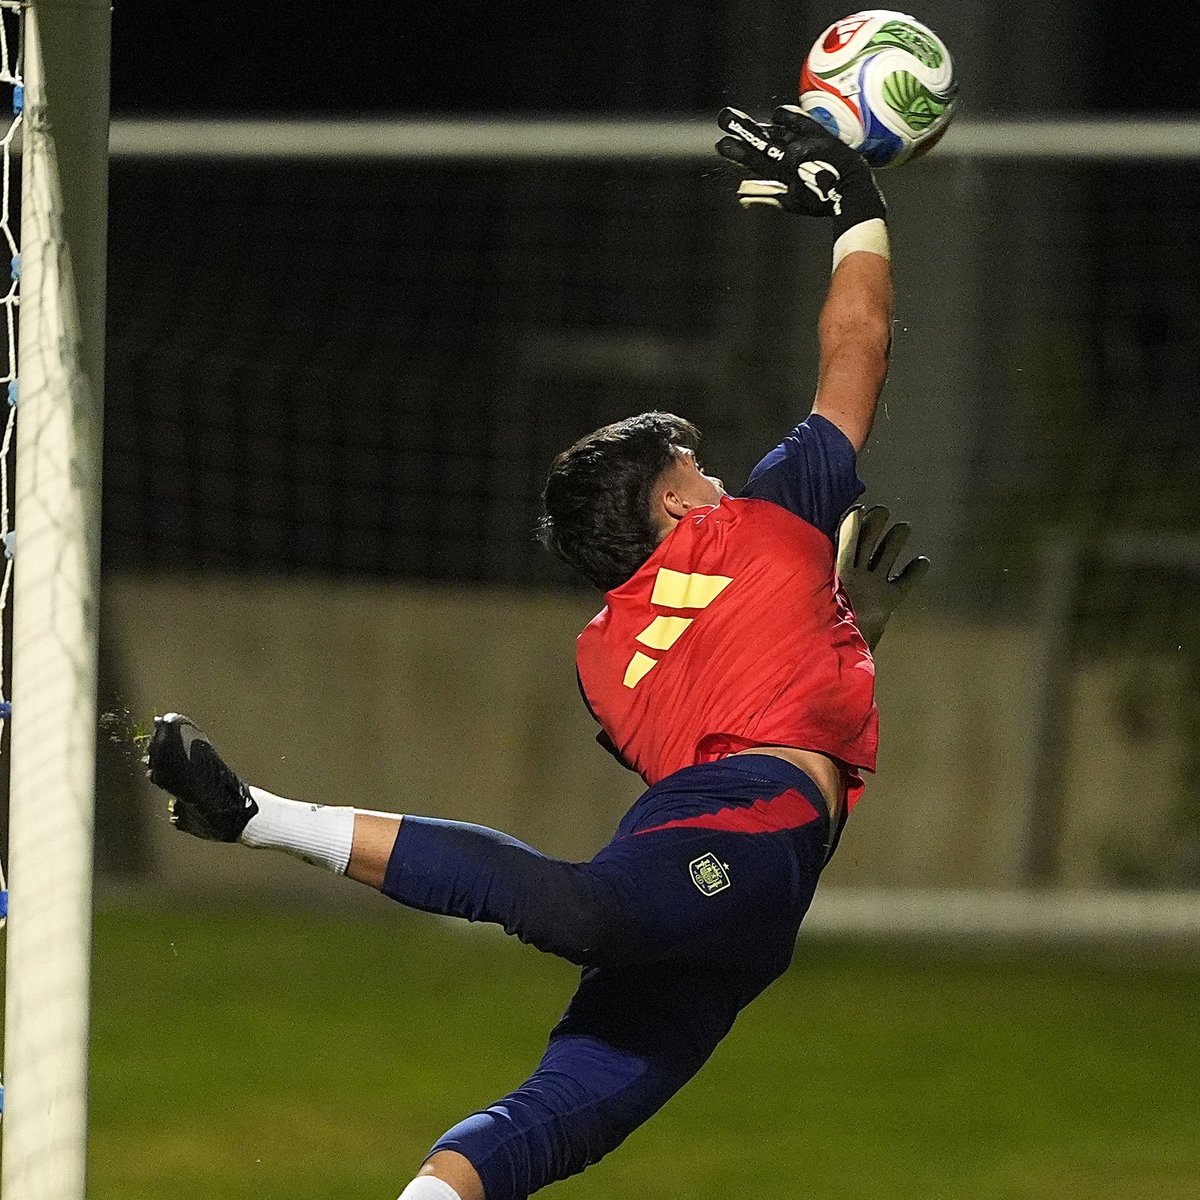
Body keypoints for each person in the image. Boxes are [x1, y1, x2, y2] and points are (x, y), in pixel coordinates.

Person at [147, 107, 927, 1200]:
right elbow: (861, 349)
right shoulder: (765, 520)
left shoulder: (602, 663)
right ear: (674, 499)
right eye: (698, 469)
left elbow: (744, 695)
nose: (717, 480)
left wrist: (838, 625)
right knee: (585, 918)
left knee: (558, 1116)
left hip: (731, 866)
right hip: (744, 846)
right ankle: (259, 817)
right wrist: (859, 210)